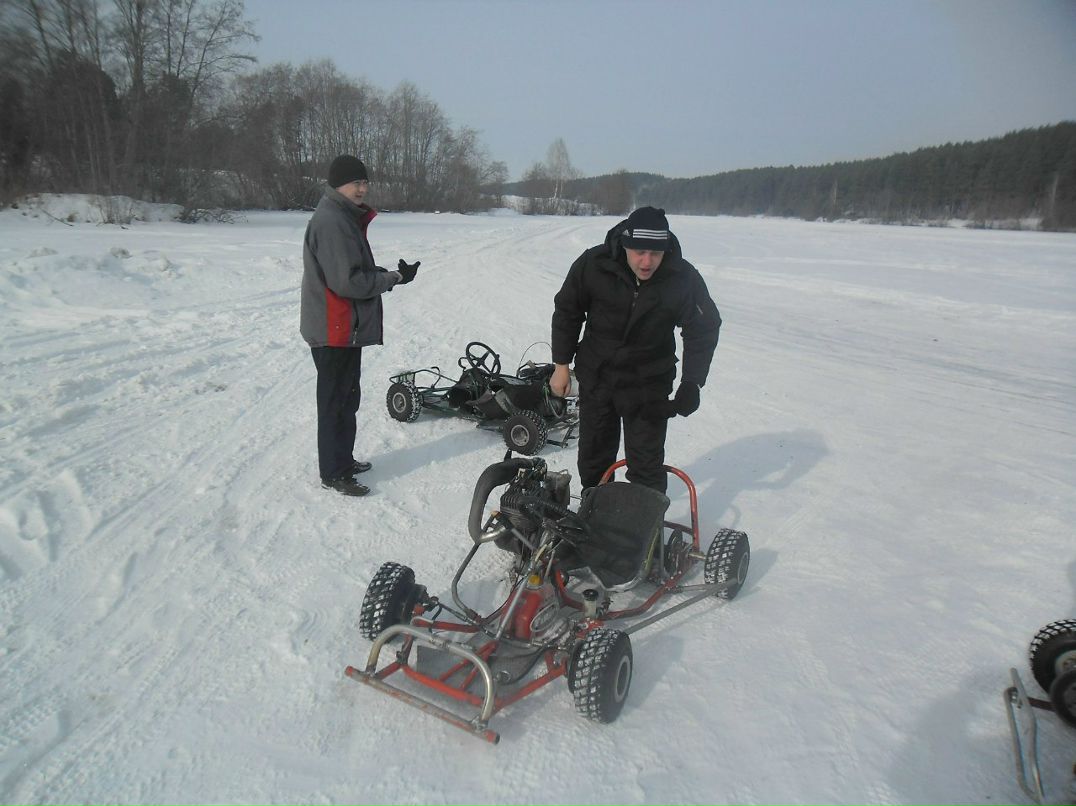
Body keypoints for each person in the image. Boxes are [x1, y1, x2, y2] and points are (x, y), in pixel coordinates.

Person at [549, 206, 720, 494]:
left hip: (648, 383)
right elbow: (568, 310)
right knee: (594, 459)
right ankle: (595, 516)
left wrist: (692, 382)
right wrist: (561, 365)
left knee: (646, 465)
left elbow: (703, 327)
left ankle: (644, 529)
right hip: (598, 376)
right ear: (625, 243)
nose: (646, 261)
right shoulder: (595, 263)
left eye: (655, 253)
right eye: (639, 251)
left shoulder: (682, 277)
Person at [301, 154, 421, 496]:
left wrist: (390, 276)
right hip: (333, 328)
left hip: (343, 329)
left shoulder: (342, 217)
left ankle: (343, 460)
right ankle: (334, 472)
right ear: (338, 184)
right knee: (335, 402)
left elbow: (351, 270)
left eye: (365, 182)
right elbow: (347, 283)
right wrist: (391, 278)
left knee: (346, 399)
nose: (362, 188)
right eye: (356, 182)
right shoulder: (332, 221)